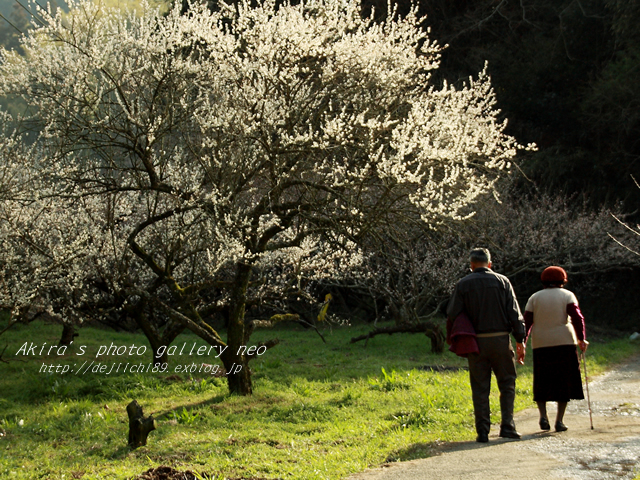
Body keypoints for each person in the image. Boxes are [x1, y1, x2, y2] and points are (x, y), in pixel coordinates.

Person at [447, 248, 526, 443]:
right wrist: (520, 339)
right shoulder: (503, 282)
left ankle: (482, 431)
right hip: (500, 340)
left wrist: (455, 338)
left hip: (476, 342)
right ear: (490, 264)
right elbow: (514, 313)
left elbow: (452, 313)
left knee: (480, 387)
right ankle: (507, 426)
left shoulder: (463, 284)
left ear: (471, 265)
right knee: (507, 383)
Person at [523, 266, 587, 432]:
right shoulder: (567, 295)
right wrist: (581, 339)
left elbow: (527, 322)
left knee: (542, 379)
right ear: (563, 280)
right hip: (564, 341)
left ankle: (543, 416)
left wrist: (522, 341)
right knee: (563, 381)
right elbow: (577, 318)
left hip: (541, 343)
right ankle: (559, 420)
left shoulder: (534, 297)